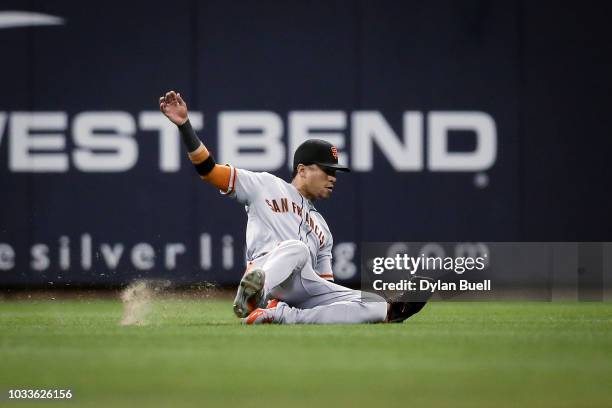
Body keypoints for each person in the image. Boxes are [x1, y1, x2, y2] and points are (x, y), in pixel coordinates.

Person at [159, 90, 432, 324]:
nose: (333, 178)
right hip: (267, 268)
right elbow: (208, 170)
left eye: (335, 173)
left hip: (300, 287)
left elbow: (325, 287)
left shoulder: (323, 229)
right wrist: (185, 127)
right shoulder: (264, 185)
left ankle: (278, 315)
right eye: (327, 170)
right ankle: (255, 296)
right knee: (297, 248)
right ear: (302, 169)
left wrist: (378, 306)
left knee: (373, 304)